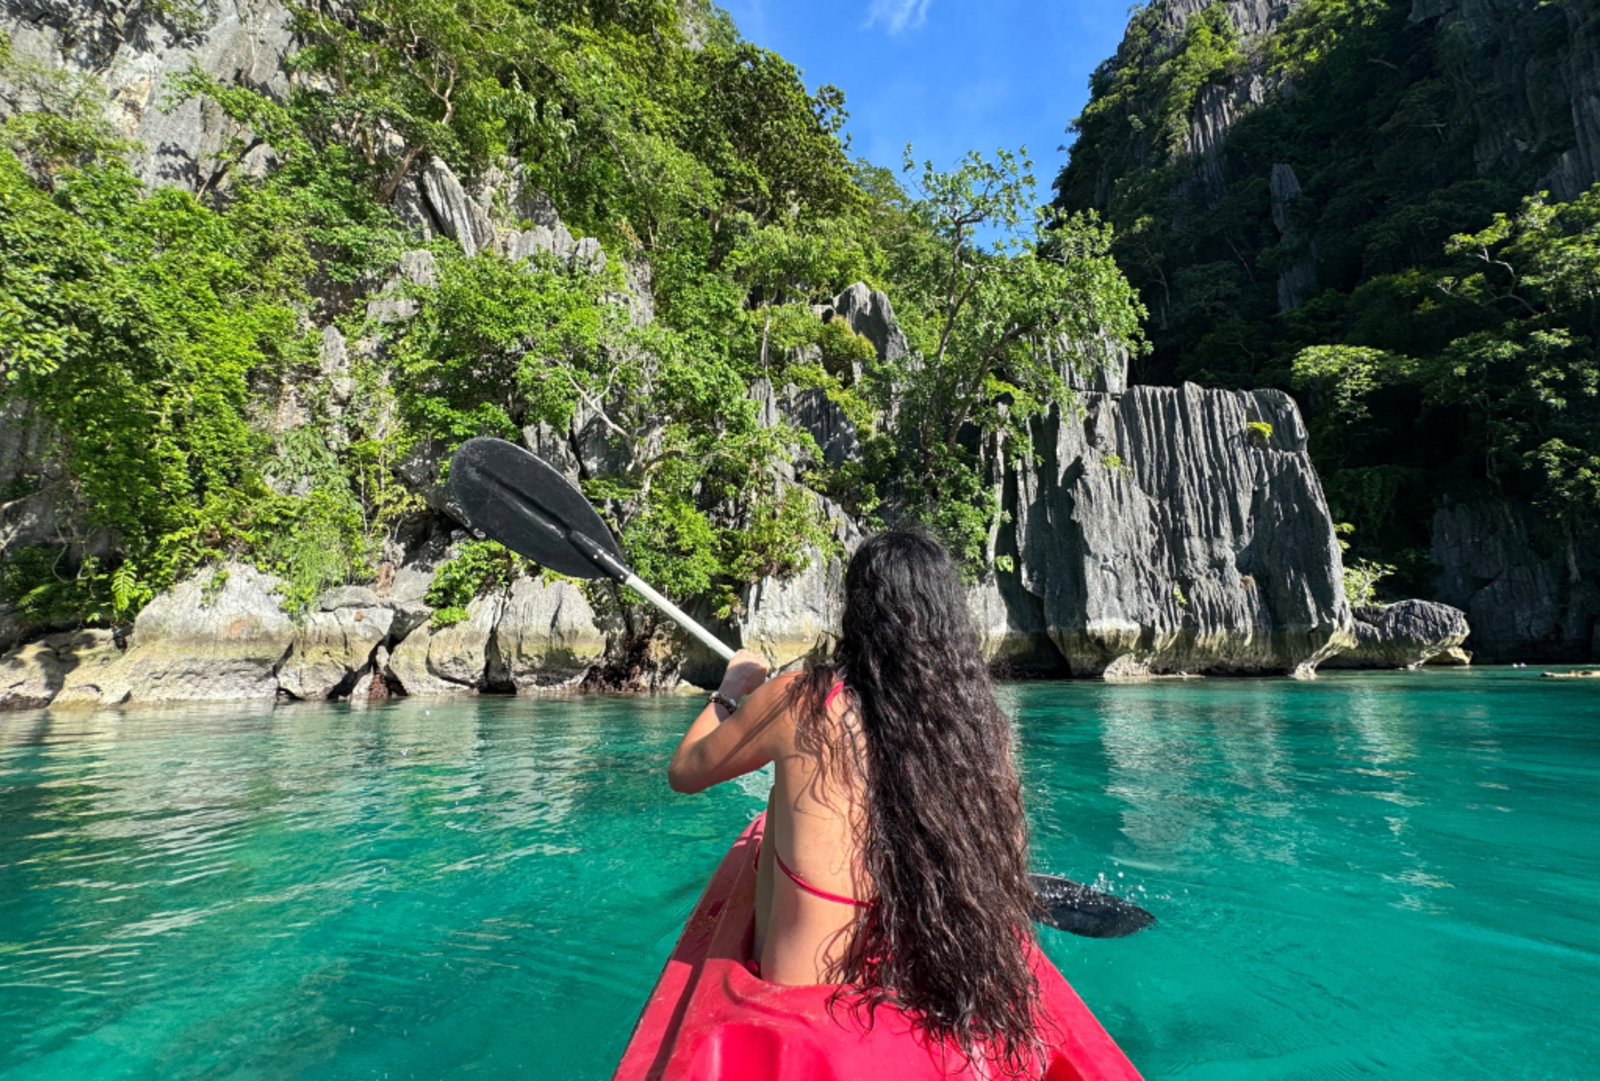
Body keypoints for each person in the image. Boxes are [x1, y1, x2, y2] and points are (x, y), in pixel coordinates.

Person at [667, 529, 1043, 1073]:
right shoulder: (980, 727)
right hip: (928, 977)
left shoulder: (802, 700)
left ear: (858, 613)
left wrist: (732, 689)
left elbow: (685, 772)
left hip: (800, 992)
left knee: (782, 794)